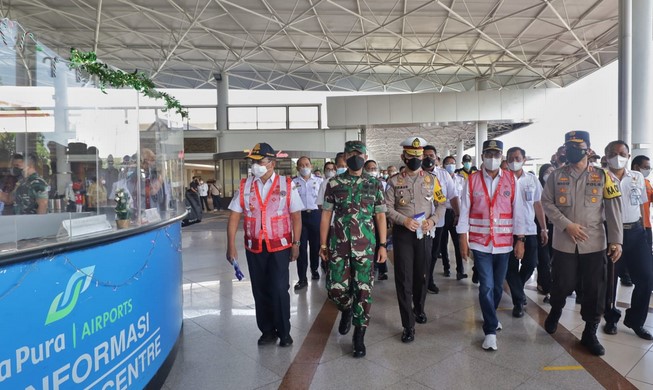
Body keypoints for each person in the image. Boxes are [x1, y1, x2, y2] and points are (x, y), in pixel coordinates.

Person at [542, 131, 623, 356]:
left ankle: (590, 332)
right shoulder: (556, 176)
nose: (572, 150)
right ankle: (556, 310)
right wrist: (566, 224)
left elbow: (613, 209)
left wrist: (616, 240)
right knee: (562, 284)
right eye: (568, 146)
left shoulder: (603, 176)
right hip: (564, 242)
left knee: (595, 289)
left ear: (588, 149)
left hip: (594, 243)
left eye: (577, 146)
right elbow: (547, 203)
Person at [226, 142, 303, 347]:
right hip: (255, 246)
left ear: (272, 163)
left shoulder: (287, 185)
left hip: (280, 246)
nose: (255, 165)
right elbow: (234, 216)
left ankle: (284, 331)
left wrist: (296, 243)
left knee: (278, 288)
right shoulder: (245, 186)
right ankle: (267, 331)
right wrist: (230, 245)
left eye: (259, 161)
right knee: (260, 289)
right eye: (253, 162)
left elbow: (296, 216)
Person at [319, 140, 387, 358]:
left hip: (366, 247)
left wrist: (383, 245)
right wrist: (322, 243)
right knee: (335, 289)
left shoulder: (374, 184)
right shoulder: (334, 183)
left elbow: (380, 216)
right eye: (351, 154)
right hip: (339, 245)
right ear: (345, 157)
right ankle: (346, 308)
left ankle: (359, 335)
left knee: (364, 291)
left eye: (359, 153)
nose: (355, 157)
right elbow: (326, 215)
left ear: (365, 157)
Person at [457, 140, 527, 351]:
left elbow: (519, 211)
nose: (493, 157)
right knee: (486, 286)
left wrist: (520, 240)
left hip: (504, 244)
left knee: (497, 287)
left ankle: (491, 315)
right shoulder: (472, 180)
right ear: (482, 156)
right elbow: (465, 210)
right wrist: (463, 238)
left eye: (496, 154)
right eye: (489, 153)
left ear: (501, 157)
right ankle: (489, 331)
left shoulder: (511, 180)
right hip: (481, 243)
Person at [385, 137, 446, 343]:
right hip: (403, 235)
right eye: (411, 157)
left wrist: (433, 220)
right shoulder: (393, 181)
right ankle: (407, 324)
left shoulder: (432, 180)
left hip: (425, 234)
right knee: (404, 278)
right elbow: (387, 208)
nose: (416, 160)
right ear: (404, 157)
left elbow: (441, 204)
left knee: (423, 275)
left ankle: (419, 308)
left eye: (419, 157)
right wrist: (403, 220)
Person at [602, 141, 653, 340]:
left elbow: (641, 204)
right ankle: (611, 318)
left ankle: (635, 320)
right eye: (613, 153)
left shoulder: (637, 177)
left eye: (622, 153)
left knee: (647, 277)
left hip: (636, 232)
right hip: (611, 235)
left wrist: (645, 230)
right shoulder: (600, 177)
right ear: (606, 156)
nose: (618, 156)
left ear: (629, 156)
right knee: (610, 280)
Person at [504, 147, 548, 318]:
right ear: (506, 160)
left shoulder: (531, 179)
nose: (514, 161)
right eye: (511, 158)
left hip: (529, 229)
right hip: (508, 230)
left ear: (524, 159)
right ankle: (518, 301)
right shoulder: (502, 180)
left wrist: (543, 228)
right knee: (511, 267)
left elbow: (538, 204)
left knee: (531, 263)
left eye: (517, 157)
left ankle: (518, 290)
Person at [422, 145, 459, 291]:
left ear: (437, 158)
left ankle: (428, 280)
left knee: (432, 253)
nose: (428, 158)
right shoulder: (416, 174)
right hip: (419, 223)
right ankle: (418, 280)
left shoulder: (443, 175)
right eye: (424, 155)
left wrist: (457, 214)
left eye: (431, 155)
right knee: (420, 253)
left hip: (437, 222)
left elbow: (453, 196)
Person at [293, 156, 323, 289]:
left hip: (316, 215)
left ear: (311, 166)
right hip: (300, 217)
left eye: (307, 164)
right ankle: (302, 278)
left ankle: (315, 269)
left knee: (316, 245)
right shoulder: (293, 183)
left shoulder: (319, 181)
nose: (304, 167)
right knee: (301, 247)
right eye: (301, 165)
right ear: (297, 168)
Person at [440, 156, 466, 280]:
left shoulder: (461, 180)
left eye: (453, 163)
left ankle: (460, 270)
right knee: (443, 242)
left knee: (457, 242)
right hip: (443, 212)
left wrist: (460, 214)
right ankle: (446, 267)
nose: (451, 165)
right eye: (448, 163)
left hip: (456, 213)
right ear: (443, 165)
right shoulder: (439, 178)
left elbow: (464, 199)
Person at [365, 159, 388, 280]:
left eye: (374, 168)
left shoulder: (381, 183)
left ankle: (382, 270)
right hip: (367, 219)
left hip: (379, 217)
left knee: (381, 242)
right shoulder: (362, 183)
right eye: (370, 168)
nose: (372, 171)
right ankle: (372, 269)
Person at [536, 164, 555, 304]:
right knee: (544, 259)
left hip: (556, 229)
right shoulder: (537, 188)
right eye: (547, 172)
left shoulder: (559, 188)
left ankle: (548, 285)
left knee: (554, 260)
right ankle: (547, 288)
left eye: (552, 171)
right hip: (540, 228)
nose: (549, 174)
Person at [631, 155, 652, 247]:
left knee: (647, 257)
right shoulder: (626, 181)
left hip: (646, 225)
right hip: (632, 226)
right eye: (646, 167)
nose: (648, 170)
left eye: (649, 168)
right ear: (636, 167)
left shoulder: (647, 182)